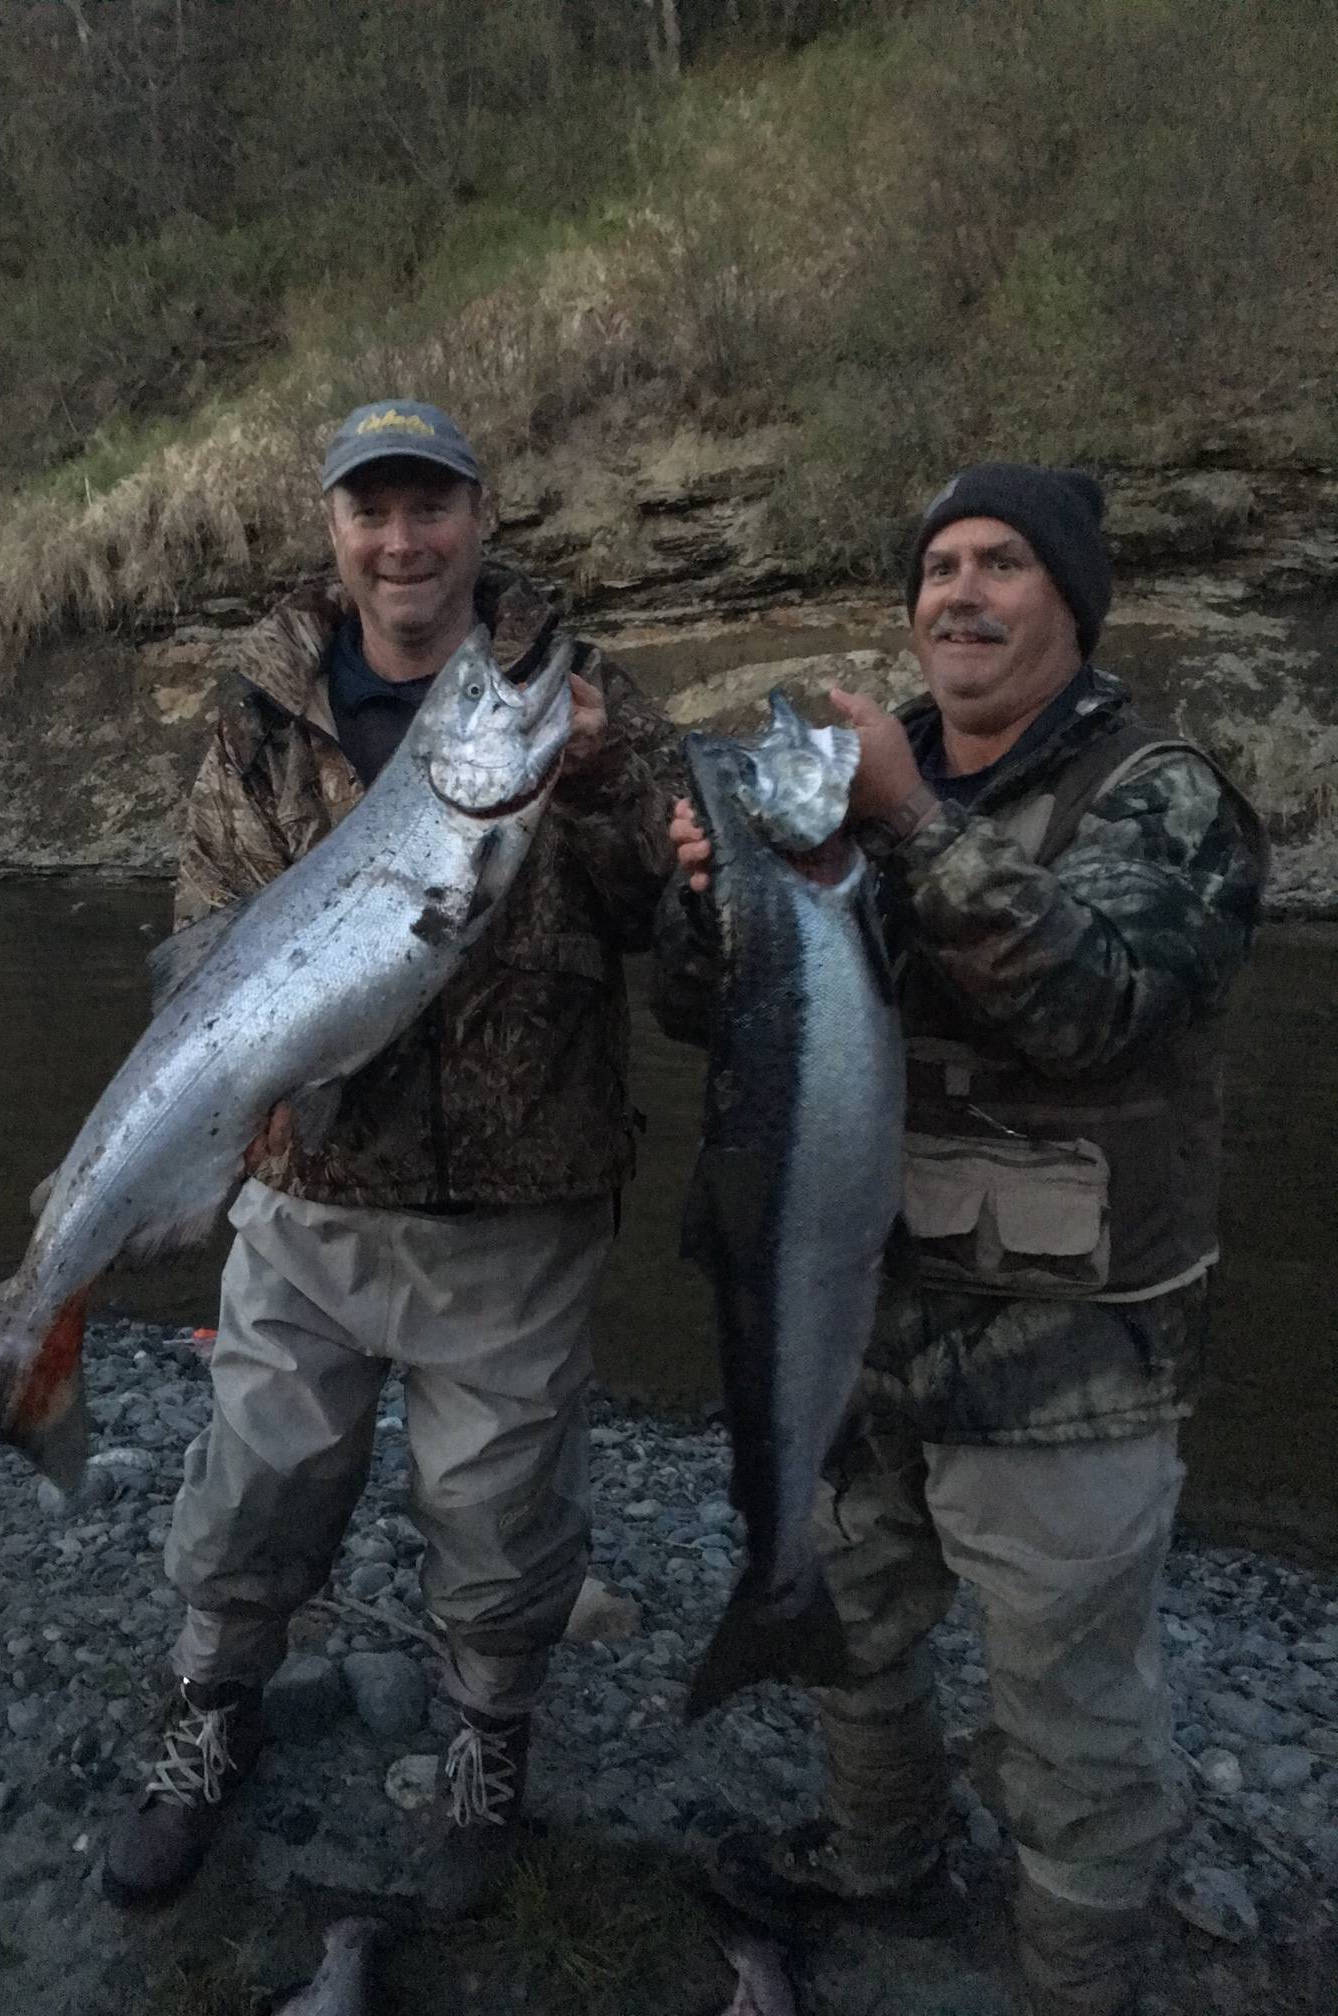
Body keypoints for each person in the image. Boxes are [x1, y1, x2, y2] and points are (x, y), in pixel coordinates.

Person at [659, 464, 1267, 2016]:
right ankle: (883, 1862)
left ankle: (1079, 1980)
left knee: (1068, 1714)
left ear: (1072, 601)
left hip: (1071, 1359)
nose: (962, 594)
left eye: (1003, 564)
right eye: (939, 568)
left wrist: (911, 823)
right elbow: (711, 1019)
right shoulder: (859, 792)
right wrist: (710, 898)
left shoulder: (1164, 790)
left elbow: (1101, 1008)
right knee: (850, 1629)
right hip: (853, 1314)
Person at [103, 400, 681, 1911]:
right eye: (373, 510)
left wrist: (613, 781)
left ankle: (489, 1742)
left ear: (480, 519)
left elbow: (680, 919)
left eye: (432, 507)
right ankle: (207, 1709)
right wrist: (231, 1128)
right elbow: (208, 936)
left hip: (521, 1204)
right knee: (256, 1484)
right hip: (308, 1204)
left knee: (500, 1517)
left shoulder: (581, 694)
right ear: (336, 531)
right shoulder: (257, 711)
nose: (402, 539)